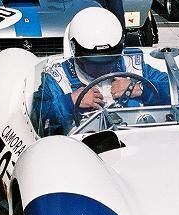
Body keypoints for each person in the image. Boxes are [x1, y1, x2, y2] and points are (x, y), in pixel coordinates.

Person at [30, 7, 171, 136]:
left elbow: (178, 91)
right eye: (94, 63)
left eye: (109, 60)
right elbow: (37, 118)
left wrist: (140, 88)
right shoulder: (58, 78)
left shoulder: (133, 66)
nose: (103, 69)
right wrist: (70, 101)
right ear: (76, 52)